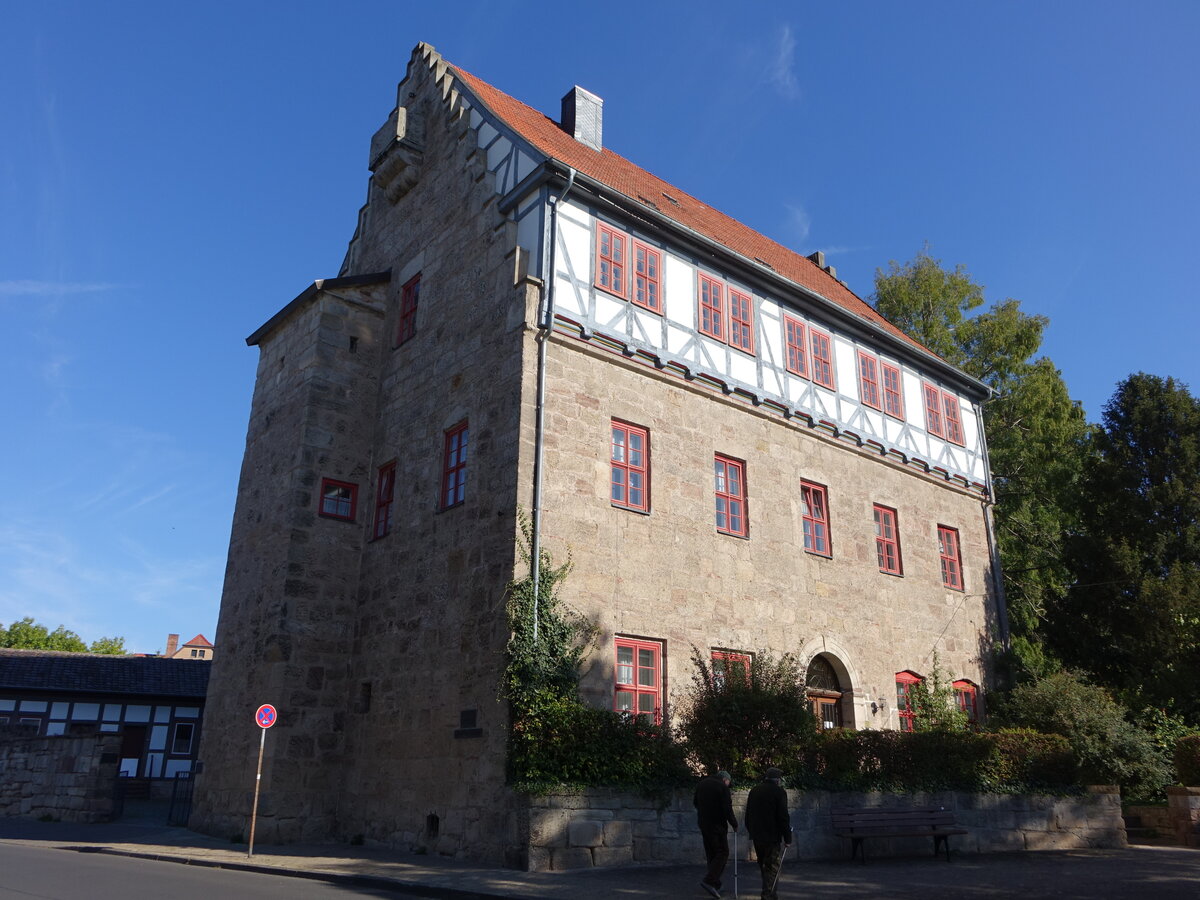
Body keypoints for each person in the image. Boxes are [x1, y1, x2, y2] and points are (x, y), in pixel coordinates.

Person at [744, 766, 792, 900]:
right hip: (772, 836)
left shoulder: (755, 790)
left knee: (763, 865)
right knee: (773, 867)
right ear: (777, 780)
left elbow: (748, 814)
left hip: (757, 835)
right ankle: (768, 896)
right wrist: (787, 837)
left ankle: (770, 893)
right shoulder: (779, 792)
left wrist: (751, 830)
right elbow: (783, 816)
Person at [693, 769, 737, 898]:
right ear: (725, 780)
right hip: (717, 825)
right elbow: (727, 809)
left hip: (703, 823)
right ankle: (709, 881)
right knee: (723, 852)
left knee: (711, 853)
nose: (728, 785)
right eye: (729, 783)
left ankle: (716, 883)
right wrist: (734, 823)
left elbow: (695, 802)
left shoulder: (702, 784)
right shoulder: (722, 787)